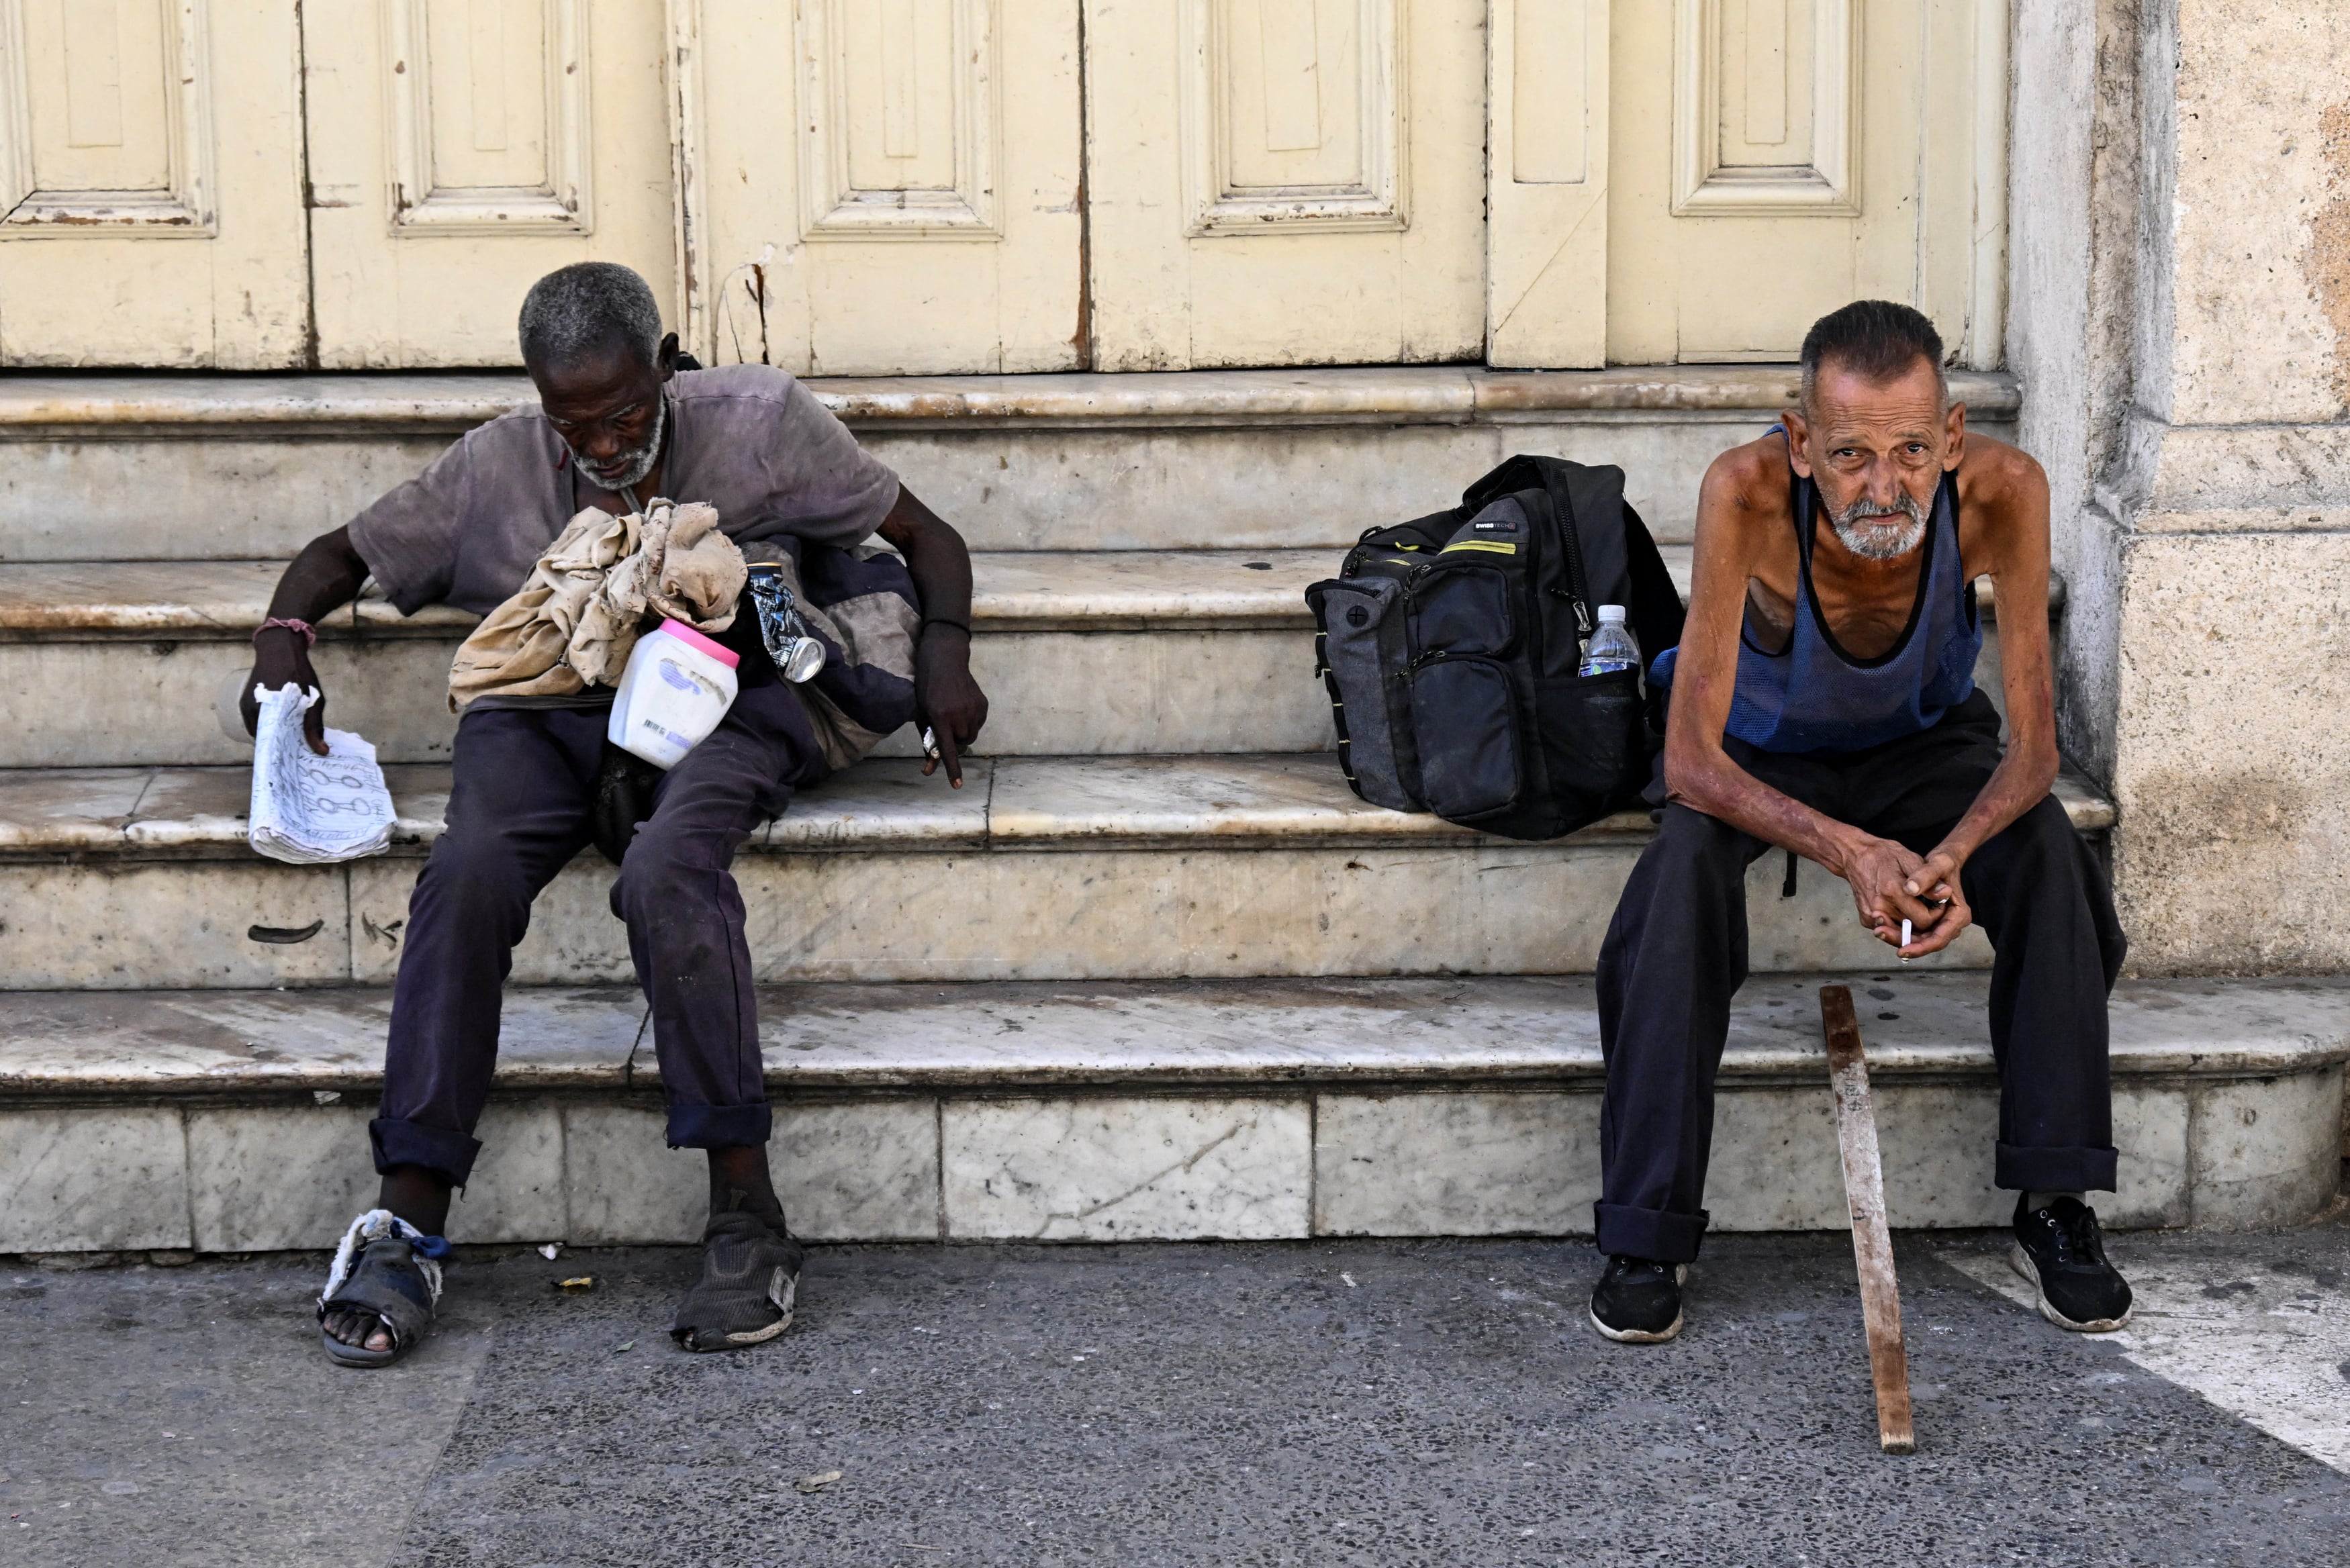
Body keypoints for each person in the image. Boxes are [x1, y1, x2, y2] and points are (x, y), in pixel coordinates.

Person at [251, 262, 990, 1365]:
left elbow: (932, 539)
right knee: (467, 872)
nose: (602, 447)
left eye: (627, 416)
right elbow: (338, 558)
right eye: (573, 424)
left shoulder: (758, 423)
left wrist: (943, 658)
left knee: (666, 874)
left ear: (667, 365)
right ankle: (407, 1219)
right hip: (546, 711)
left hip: (723, 700)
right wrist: (284, 648)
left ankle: (747, 1214)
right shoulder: (497, 465)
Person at [1587, 300, 2130, 1345]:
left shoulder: (2004, 494)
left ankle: (2057, 1200)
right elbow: (1689, 759)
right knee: (1674, 887)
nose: (1884, 487)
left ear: (1954, 439)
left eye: (1912, 451)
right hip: (1753, 753)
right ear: (1799, 445)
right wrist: (1853, 853)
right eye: (1848, 455)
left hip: (1922, 745)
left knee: (2052, 858)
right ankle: (1646, 1227)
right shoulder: (1744, 493)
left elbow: (2034, 752)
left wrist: (1955, 856)